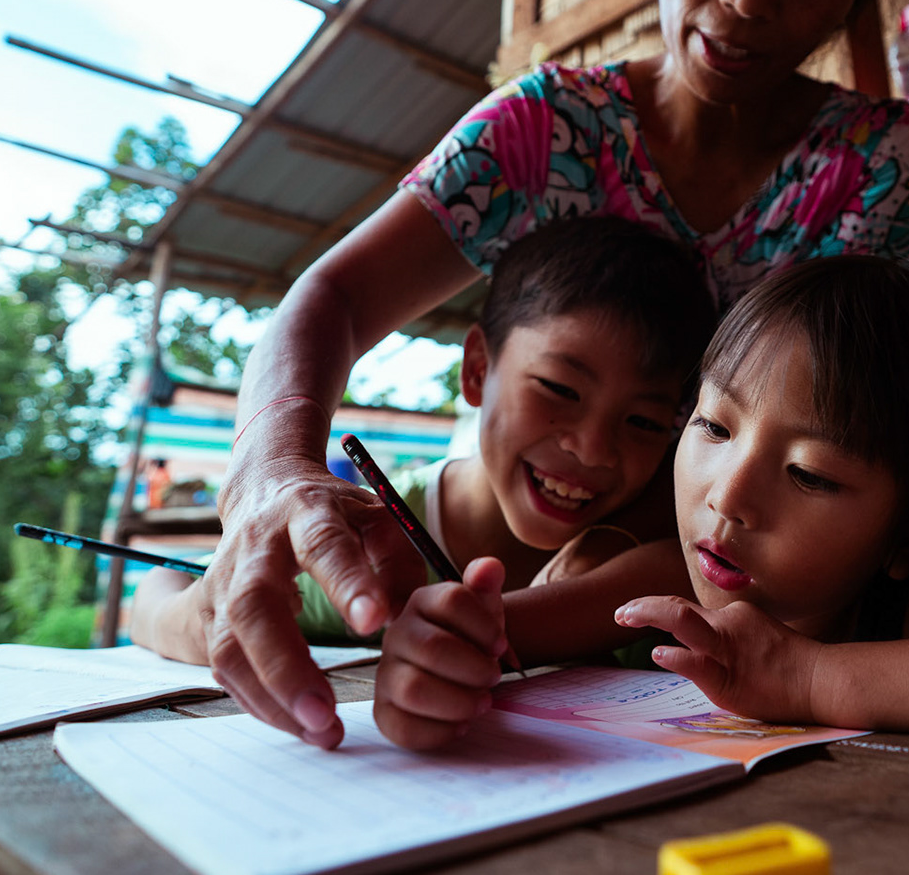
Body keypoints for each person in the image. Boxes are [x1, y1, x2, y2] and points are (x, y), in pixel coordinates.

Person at [207, 0, 909, 747]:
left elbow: (831, 455)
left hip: (737, 618)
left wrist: (492, 624)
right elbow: (330, 299)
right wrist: (272, 471)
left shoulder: (881, 164)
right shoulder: (544, 127)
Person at [372, 257, 909, 748]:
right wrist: (433, 657)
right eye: (712, 425)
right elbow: (491, 633)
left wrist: (810, 675)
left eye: (812, 473)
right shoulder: (655, 583)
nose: (729, 494)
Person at [128, 218, 716, 663]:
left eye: (642, 422)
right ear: (478, 370)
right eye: (559, 389)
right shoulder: (369, 543)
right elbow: (163, 585)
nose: (592, 449)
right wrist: (202, 622)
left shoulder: (670, 558)